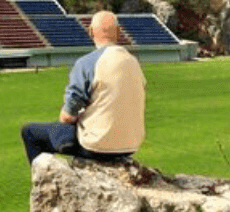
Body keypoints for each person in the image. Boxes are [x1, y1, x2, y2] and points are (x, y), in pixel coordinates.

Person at [20, 11, 146, 164]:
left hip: (97, 146)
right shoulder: (133, 62)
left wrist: (77, 116)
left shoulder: (87, 63)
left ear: (91, 32)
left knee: (30, 132)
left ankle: (43, 181)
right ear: (119, 33)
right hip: (130, 145)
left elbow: (67, 116)